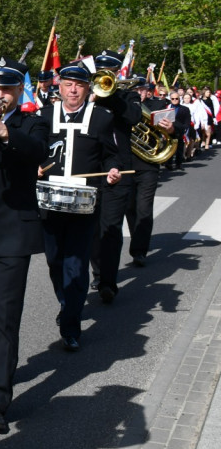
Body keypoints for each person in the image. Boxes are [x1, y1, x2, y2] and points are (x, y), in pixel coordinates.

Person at [0, 58, 49, 434]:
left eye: (8, 87)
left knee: (3, 318)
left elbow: (37, 151)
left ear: (20, 90)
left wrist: (2, 130)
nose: (1, 93)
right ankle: (3, 360)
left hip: (11, 235)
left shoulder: (30, 121)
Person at [39, 64, 121, 352]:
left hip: (84, 205)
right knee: (54, 261)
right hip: (49, 203)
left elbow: (112, 156)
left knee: (75, 264)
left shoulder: (101, 118)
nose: (73, 90)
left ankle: (71, 324)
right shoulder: (44, 116)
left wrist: (112, 171)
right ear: (58, 87)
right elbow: (33, 150)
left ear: (88, 89)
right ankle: (67, 303)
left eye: (80, 85)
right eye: (68, 84)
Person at [89, 51, 141, 304]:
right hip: (89, 167)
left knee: (110, 227)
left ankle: (107, 282)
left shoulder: (127, 95)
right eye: (100, 70)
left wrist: (112, 95)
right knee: (90, 227)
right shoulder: (87, 94)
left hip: (118, 169)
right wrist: (91, 99)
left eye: (109, 70)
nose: (104, 74)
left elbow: (133, 117)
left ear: (117, 72)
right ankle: (98, 272)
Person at [125, 77, 174, 267]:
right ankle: (138, 241)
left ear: (148, 91)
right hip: (126, 164)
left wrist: (170, 129)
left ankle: (139, 250)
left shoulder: (158, 104)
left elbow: (175, 129)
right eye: (135, 90)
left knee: (144, 208)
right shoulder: (123, 106)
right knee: (130, 208)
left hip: (148, 165)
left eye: (142, 90)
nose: (139, 93)